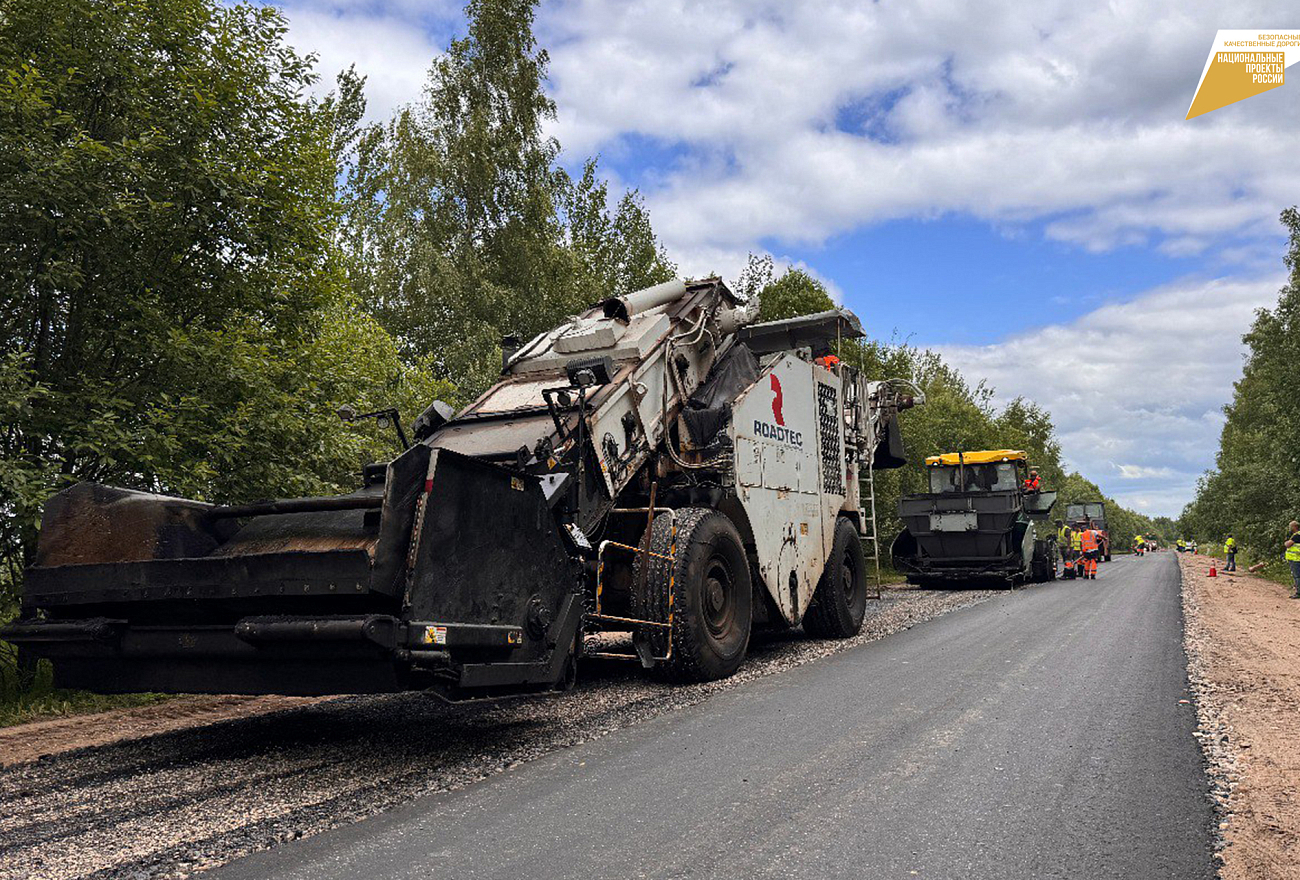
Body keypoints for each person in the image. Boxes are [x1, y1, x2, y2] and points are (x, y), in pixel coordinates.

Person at [1286, 521, 1300, 599]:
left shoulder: (1297, 536)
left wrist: (1286, 543)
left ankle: (1298, 593)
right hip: (1296, 558)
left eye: (1290, 526)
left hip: (1296, 559)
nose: (1290, 528)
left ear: (1294, 527)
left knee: (1297, 576)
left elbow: (1288, 545)